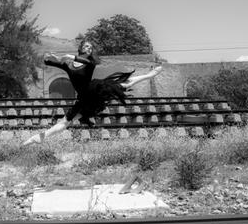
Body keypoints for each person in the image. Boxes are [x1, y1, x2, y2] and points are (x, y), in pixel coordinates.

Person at [22, 40, 162, 146]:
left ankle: (149, 76)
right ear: (81, 48)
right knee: (65, 122)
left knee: (123, 84)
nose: (89, 49)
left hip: (94, 91)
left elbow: (82, 61)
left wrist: (69, 56)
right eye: (87, 46)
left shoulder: (90, 63)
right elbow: (48, 62)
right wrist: (47, 57)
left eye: (91, 47)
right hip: (84, 99)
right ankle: (39, 137)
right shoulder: (68, 65)